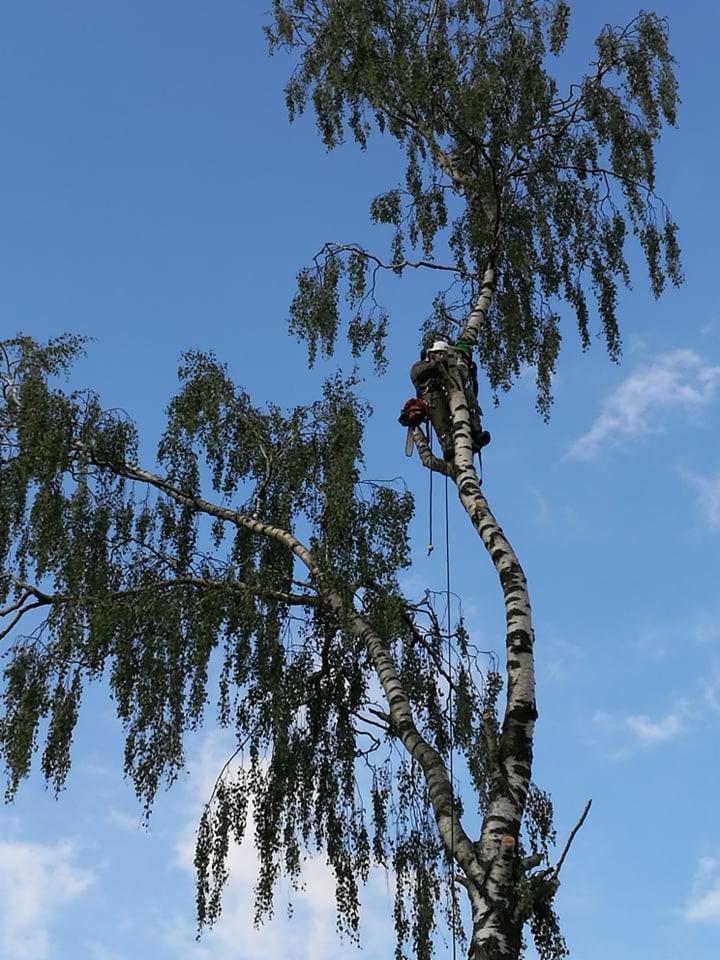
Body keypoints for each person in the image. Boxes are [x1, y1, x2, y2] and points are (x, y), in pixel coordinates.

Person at [405, 339, 490, 461]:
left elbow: (464, 386)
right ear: (431, 355)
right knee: (440, 415)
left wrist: (472, 375)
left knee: (467, 398)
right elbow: (418, 373)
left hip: (450, 396)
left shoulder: (448, 371)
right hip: (433, 396)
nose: (443, 357)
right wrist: (444, 361)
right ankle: (448, 445)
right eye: (441, 354)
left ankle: (475, 434)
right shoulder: (419, 366)